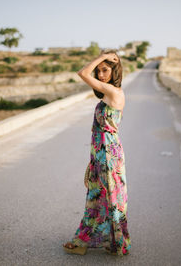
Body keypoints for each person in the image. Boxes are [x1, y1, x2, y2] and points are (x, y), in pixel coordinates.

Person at [62, 50, 131, 256]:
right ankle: (110, 242)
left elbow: (83, 73)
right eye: (99, 71)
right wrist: (92, 160)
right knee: (101, 196)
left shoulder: (114, 92)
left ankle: (88, 241)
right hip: (102, 152)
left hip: (108, 154)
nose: (100, 74)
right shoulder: (109, 92)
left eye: (105, 70)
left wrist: (104, 56)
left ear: (114, 70)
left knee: (103, 197)